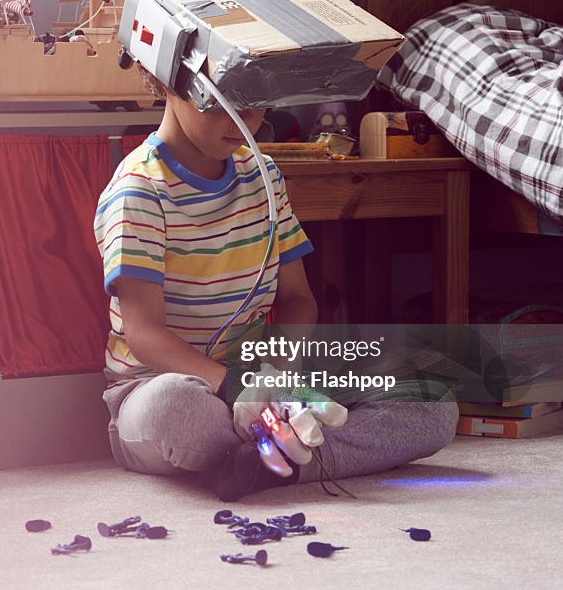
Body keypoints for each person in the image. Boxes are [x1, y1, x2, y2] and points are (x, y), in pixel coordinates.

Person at [93, 66, 459, 501]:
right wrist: (235, 387)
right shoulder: (138, 189)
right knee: (178, 408)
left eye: (255, 104)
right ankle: (286, 454)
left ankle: (266, 467)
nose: (246, 122)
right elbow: (144, 333)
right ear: (172, 82)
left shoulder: (262, 175)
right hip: (162, 388)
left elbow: (300, 300)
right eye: (225, 103)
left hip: (264, 375)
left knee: (433, 398)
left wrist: (273, 376)